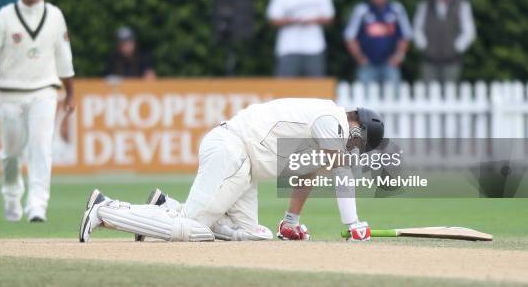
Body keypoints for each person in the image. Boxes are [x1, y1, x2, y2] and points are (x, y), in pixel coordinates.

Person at [79, 99, 383, 243]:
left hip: (244, 169)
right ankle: (106, 210)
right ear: (357, 123)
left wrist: (291, 222)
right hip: (232, 151)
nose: (353, 149)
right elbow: (342, 173)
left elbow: (308, 176)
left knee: (256, 237)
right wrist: (354, 224)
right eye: (358, 142)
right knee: (195, 229)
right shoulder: (332, 120)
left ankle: (165, 207)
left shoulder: (326, 132)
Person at [0, 0, 76, 222]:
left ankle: (37, 204)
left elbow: (64, 57)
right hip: (10, 92)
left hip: (44, 90)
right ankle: (11, 196)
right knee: (11, 152)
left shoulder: (54, 15)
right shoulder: (5, 16)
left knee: (41, 147)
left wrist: (70, 93)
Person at [266, 0, 335, 77]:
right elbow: (272, 20)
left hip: (314, 47)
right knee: (285, 89)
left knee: (315, 90)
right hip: (288, 48)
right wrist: (292, 21)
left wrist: (312, 20)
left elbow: (329, 18)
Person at [344, 0, 412, 85]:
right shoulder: (361, 10)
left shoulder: (396, 9)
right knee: (364, 98)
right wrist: (359, 57)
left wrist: (398, 57)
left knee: (394, 98)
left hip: (390, 64)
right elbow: (349, 36)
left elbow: (406, 36)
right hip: (367, 64)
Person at [413, 0, 476, 82]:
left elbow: (469, 31)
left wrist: (457, 47)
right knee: (429, 95)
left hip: (452, 61)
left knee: (450, 95)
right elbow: (417, 28)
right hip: (429, 60)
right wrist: (423, 46)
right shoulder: (425, 4)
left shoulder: (462, 4)